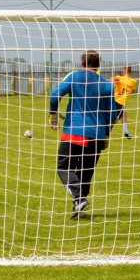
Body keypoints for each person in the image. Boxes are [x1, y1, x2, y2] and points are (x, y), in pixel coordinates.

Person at [49, 50, 119, 220]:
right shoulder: (108, 85)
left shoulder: (74, 77)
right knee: (85, 172)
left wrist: (53, 114)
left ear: (82, 63)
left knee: (63, 168)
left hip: (74, 131)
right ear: (99, 65)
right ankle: (79, 205)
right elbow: (112, 112)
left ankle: (79, 199)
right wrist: (107, 134)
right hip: (97, 135)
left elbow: (55, 94)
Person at [112, 66, 138, 139]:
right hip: (121, 102)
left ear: (123, 71)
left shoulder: (119, 78)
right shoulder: (133, 82)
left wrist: (113, 84)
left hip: (114, 99)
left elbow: (114, 79)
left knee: (124, 114)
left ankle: (126, 131)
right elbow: (132, 90)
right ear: (131, 72)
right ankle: (107, 130)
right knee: (116, 118)